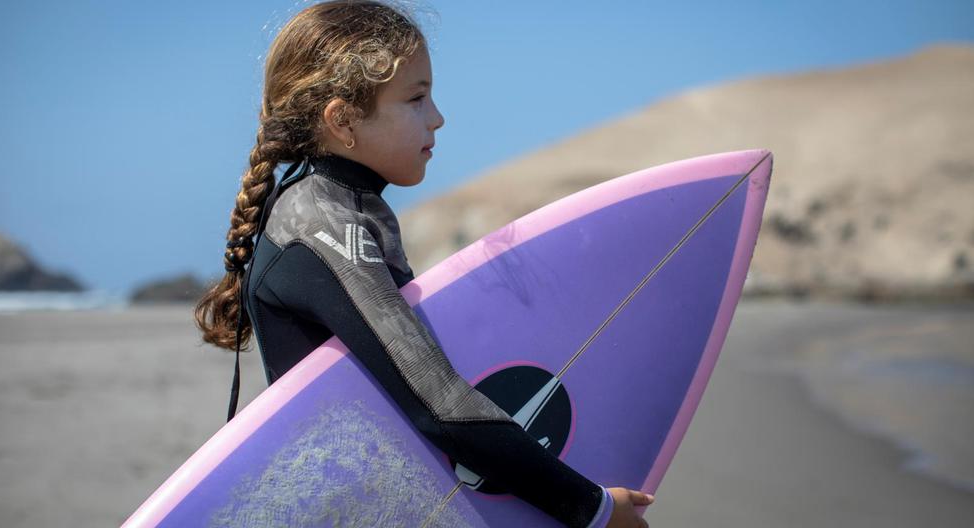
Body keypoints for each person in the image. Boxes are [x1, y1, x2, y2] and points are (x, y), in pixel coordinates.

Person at [194, 2, 654, 527]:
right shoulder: (323, 224)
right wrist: (591, 508)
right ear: (343, 120)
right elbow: (440, 405)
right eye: (415, 99)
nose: (437, 117)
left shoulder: (344, 207)